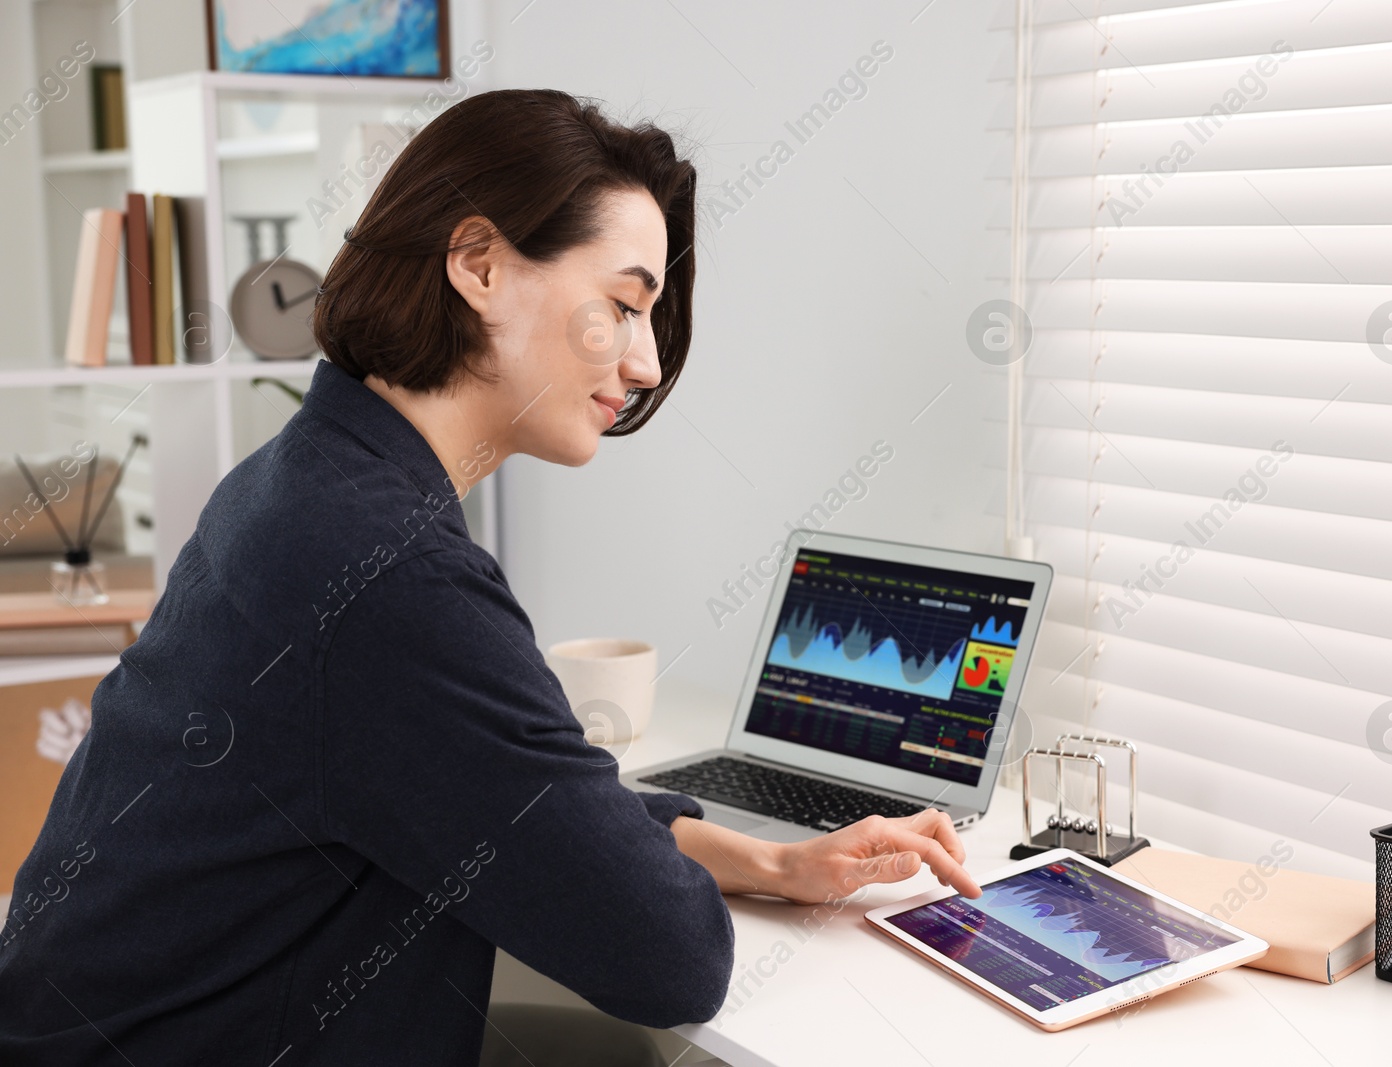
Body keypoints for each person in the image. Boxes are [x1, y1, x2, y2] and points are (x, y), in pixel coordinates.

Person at [0, 88, 981, 1067]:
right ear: (477, 263)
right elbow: (668, 954)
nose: (642, 361)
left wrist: (769, 858)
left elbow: (484, 792)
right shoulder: (385, 566)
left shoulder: (306, 480)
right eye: (624, 305)